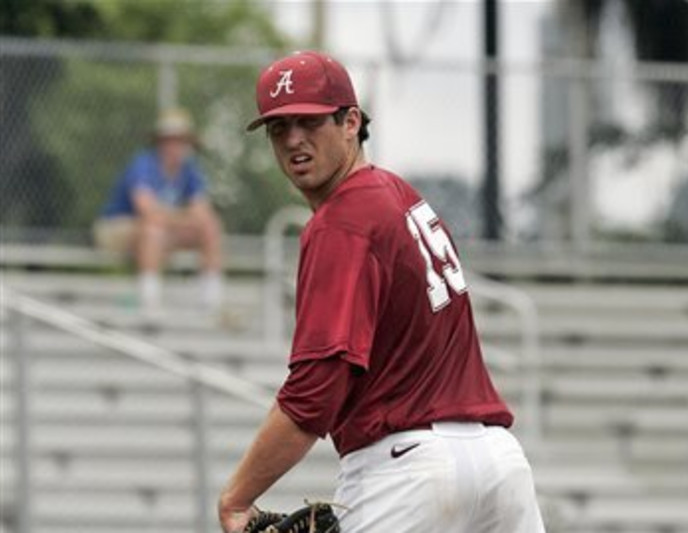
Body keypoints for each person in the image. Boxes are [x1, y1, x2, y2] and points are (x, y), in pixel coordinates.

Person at [218, 51, 547, 533]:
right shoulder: (403, 197)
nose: (293, 140)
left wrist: (237, 497)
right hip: (499, 466)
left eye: (309, 122)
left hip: (407, 471)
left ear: (351, 121)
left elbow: (316, 390)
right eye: (278, 127)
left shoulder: (341, 222)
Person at [94, 107, 225, 312]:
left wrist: (182, 220)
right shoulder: (143, 163)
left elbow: (203, 212)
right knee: (153, 230)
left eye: (181, 140)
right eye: (170, 139)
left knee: (210, 226)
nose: (175, 145)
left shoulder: (190, 169)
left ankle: (212, 299)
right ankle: (149, 300)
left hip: (161, 230)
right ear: (160, 141)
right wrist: (184, 219)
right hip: (116, 227)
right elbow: (146, 211)